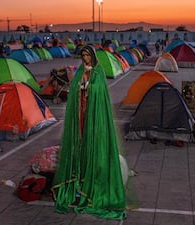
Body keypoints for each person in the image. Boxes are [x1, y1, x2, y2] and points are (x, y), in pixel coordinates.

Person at [51, 45, 127, 220]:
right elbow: (73, 92)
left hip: (93, 116)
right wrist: (80, 88)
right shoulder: (79, 72)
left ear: (92, 56)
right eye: (83, 55)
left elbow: (100, 91)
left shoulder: (98, 72)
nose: (85, 58)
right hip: (80, 117)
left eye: (87, 55)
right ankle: (78, 184)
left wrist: (89, 88)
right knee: (80, 146)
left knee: (92, 145)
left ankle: (92, 186)